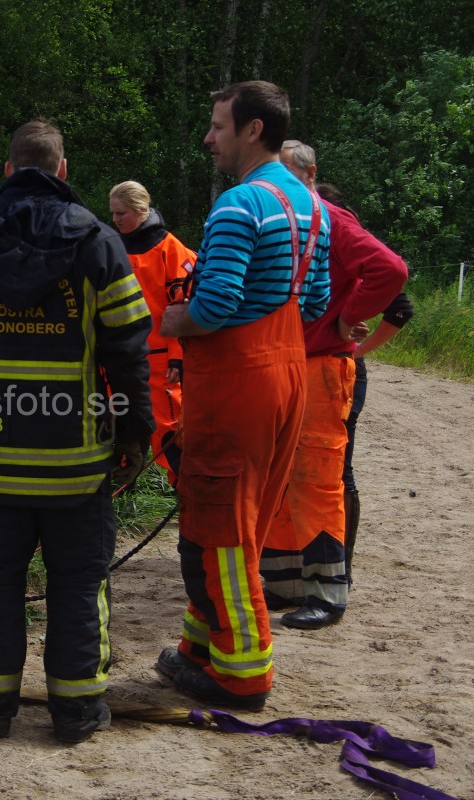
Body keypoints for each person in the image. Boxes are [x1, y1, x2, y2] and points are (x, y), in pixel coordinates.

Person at [0, 120, 154, 743]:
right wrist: (136, 436)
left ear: (8, 170)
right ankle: (77, 714)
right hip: (76, 464)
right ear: (61, 170)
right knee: (79, 585)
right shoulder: (100, 242)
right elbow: (129, 352)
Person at [156, 81, 331, 710]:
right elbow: (313, 302)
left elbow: (217, 304)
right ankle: (201, 646)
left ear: (253, 130)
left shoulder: (238, 205)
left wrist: (173, 322)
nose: (208, 138)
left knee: (218, 523)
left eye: (218, 126)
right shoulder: (311, 205)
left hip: (238, 385)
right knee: (241, 519)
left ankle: (243, 674)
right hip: (287, 376)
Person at [260, 141, 408, 629]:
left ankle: (327, 592)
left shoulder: (330, 217)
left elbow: (390, 270)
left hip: (322, 366)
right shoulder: (279, 218)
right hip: (282, 364)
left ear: (308, 174)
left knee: (319, 479)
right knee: (279, 479)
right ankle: (284, 582)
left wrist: (348, 317)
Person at [316, 183, 416, 588]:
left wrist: (358, 351)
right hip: (320, 367)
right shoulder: (318, 263)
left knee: (341, 472)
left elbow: (401, 309)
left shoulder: (350, 258)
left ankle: (343, 565)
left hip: (343, 370)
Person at [108, 180, 197, 483]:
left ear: (141, 210)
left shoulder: (171, 250)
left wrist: (177, 358)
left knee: (169, 432)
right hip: (120, 358)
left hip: (160, 362)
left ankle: (187, 491)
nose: (116, 220)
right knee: (117, 427)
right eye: (113, 214)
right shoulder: (111, 247)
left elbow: (184, 308)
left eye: (121, 213)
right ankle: (119, 492)